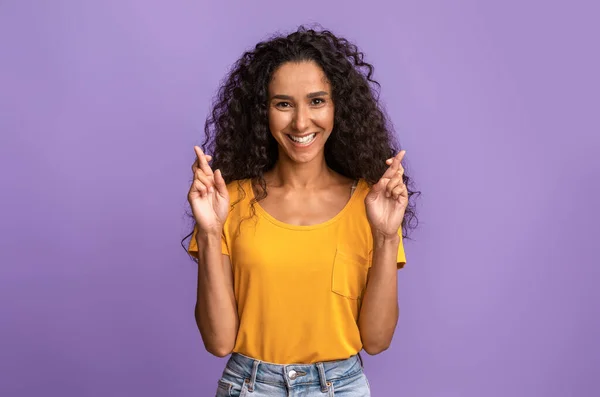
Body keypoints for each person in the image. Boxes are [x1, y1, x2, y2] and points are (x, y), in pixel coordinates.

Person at [183, 25, 419, 397]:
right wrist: (211, 232)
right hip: (249, 386)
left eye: (316, 101)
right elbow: (218, 342)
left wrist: (387, 236)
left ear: (338, 106)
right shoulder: (227, 203)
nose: (301, 122)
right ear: (262, 112)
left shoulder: (371, 206)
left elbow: (376, 340)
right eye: (283, 104)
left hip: (341, 386)